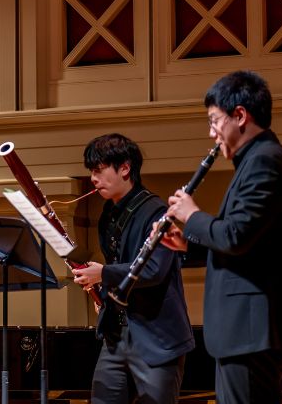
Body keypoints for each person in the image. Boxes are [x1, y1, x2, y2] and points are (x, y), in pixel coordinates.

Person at [162, 70, 282, 404]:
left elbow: (236, 236)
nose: (212, 133)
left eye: (214, 121)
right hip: (249, 331)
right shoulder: (258, 161)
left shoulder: (265, 162)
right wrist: (186, 243)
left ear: (240, 115)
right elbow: (250, 245)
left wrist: (191, 214)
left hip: (251, 331)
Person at [72, 133, 194, 404]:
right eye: (91, 171)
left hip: (156, 338)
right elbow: (119, 266)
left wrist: (103, 274)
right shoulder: (108, 215)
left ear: (125, 168)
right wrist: (103, 291)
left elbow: (153, 270)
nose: (93, 178)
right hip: (116, 336)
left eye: (98, 170)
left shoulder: (156, 211)